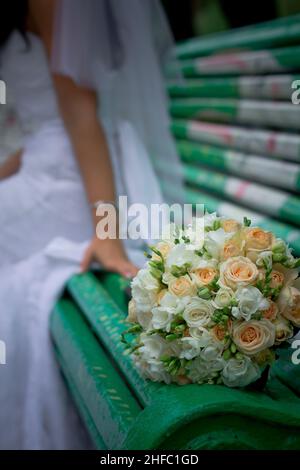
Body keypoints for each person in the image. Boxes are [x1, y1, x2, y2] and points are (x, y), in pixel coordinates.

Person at [0, 0, 183, 449]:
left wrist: (107, 235)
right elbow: (41, 126)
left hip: (71, 178)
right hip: (50, 162)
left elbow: (80, 110)